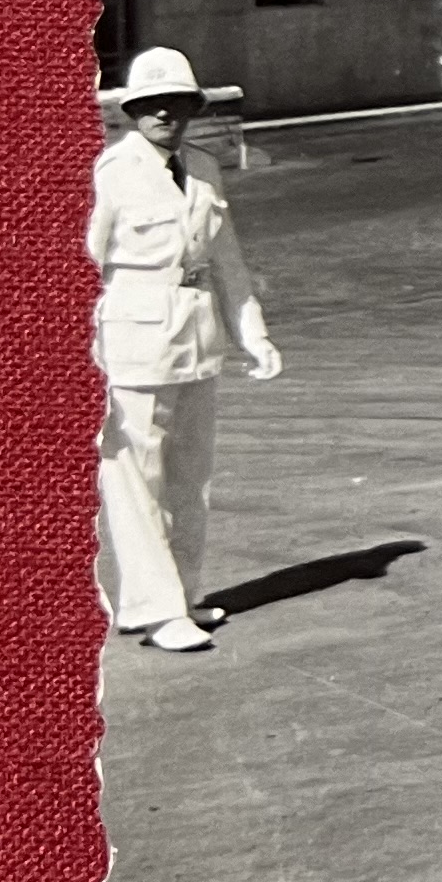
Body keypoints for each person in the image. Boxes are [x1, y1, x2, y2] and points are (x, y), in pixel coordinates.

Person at [93, 47, 278, 653]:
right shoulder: (110, 174)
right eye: (151, 105)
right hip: (130, 344)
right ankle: (155, 609)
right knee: (134, 482)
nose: (164, 114)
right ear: (131, 111)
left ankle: (183, 596)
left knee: (190, 477)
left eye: (176, 104)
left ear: (193, 110)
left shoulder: (201, 168)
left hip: (197, 340)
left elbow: (228, 260)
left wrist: (253, 332)